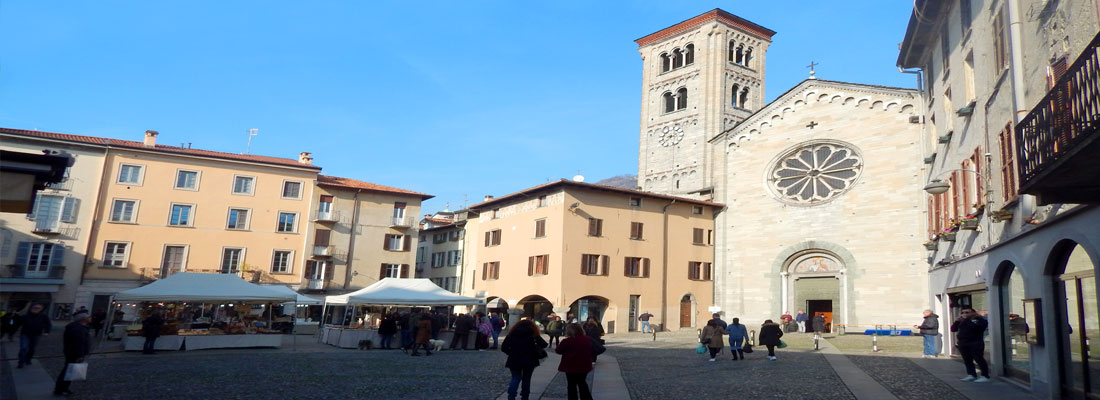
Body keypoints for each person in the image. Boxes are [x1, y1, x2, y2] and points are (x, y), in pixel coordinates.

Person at [501, 320, 549, 400]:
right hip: (530, 360)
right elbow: (544, 344)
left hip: (514, 359)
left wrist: (511, 353)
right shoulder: (533, 335)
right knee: (527, 379)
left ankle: (511, 396)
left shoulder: (511, 334)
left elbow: (504, 348)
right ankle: (525, 397)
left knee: (515, 378)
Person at [53, 312, 91, 396]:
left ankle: (63, 388)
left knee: (69, 371)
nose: (90, 318)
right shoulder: (78, 328)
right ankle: (60, 389)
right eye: (88, 317)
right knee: (68, 371)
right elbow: (78, 343)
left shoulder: (78, 327)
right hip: (74, 353)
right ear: (83, 319)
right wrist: (79, 355)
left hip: (72, 352)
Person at [556, 323, 594, 400]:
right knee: (582, 383)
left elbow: (558, 351)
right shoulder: (587, 339)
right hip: (584, 365)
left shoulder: (566, 341)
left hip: (570, 365)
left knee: (571, 385)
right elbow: (592, 350)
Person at [951, 307, 990, 382]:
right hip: (963, 343)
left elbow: (977, 328)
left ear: (973, 313)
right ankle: (971, 374)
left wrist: (966, 320)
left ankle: (985, 375)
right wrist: (957, 321)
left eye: (967, 312)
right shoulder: (963, 321)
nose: (964, 314)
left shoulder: (980, 320)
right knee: (967, 360)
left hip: (975, 342)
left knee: (979, 359)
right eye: (962, 312)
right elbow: (953, 329)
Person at [17, 303, 51, 368]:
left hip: (36, 335)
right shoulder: (25, 316)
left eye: (38, 308)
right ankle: (21, 362)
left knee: (32, 349)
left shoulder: (44, 317)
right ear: (31, 308)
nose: (36, 309)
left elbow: (48, 324)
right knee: (23, 348)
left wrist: (47, 331)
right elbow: (18, 323)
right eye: (34, 307)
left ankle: (28, 359)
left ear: (41, 309)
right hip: (25, 334)